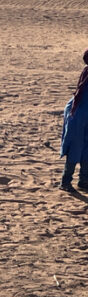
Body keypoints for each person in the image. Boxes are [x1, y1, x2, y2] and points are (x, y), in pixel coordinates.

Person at [60, 49, 88, 191]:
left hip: (80, 113)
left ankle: (83, 181)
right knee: (75, 148)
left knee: (84, 150)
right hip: (79, 115)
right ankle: (65, 182)